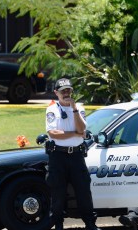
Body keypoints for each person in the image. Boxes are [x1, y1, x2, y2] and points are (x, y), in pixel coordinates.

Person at [45, 78, 101, 230]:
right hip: (58, 156)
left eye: (68, 90)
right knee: (58, 192)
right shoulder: (52, 109)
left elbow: (81, 129)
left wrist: (74, 109)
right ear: (56, 92)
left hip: (76, 156)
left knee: (83, 190)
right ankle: (58, 224)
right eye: (63, 91)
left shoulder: (79, 108)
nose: (66, 93)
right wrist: (74, 134)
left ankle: (90, 224)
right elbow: (53, 133)